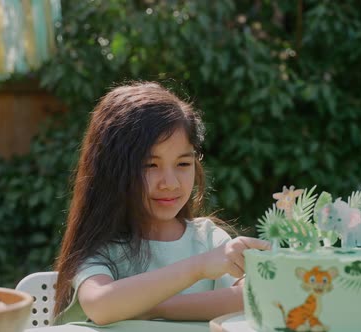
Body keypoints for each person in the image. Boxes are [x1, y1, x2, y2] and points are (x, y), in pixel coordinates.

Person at [52, 81, 270, 327]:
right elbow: (101, 304)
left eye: (183, 164)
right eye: (150, 165)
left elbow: (250, 297)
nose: (170, 183)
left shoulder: (208, 239)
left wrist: (153, 308)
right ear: (112, 171)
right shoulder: (101, 246)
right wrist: (199, 267)